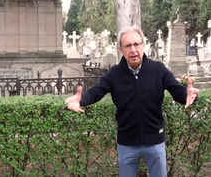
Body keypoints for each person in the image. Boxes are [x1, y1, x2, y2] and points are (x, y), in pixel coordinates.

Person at [65, 26, 199, 177]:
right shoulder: (114, 74)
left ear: (143, 45)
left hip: (155, 141)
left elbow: (177, 91)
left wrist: (188, 96)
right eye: (128, 46)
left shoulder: (158, 69)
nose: (133, 50)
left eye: (136, 44)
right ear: (121, 50)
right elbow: (96, 92)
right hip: (127, 143)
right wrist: (80, 99)